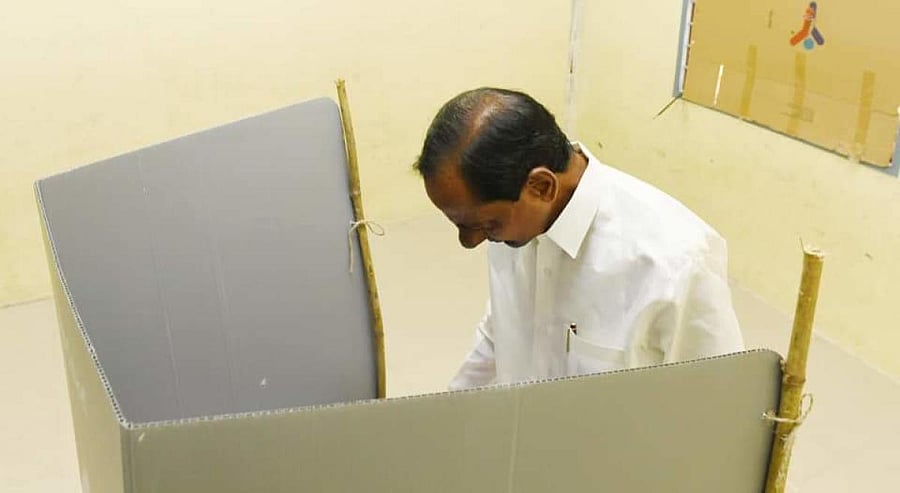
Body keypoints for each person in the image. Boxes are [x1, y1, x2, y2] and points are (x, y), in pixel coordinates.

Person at [414, 87, 744, 390]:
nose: (470, 241)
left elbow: (716, 398)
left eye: (487, 225)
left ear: (541, 187)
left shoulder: (675, 262)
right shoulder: (514, 224)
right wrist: (449, 414)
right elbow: (501, 331)